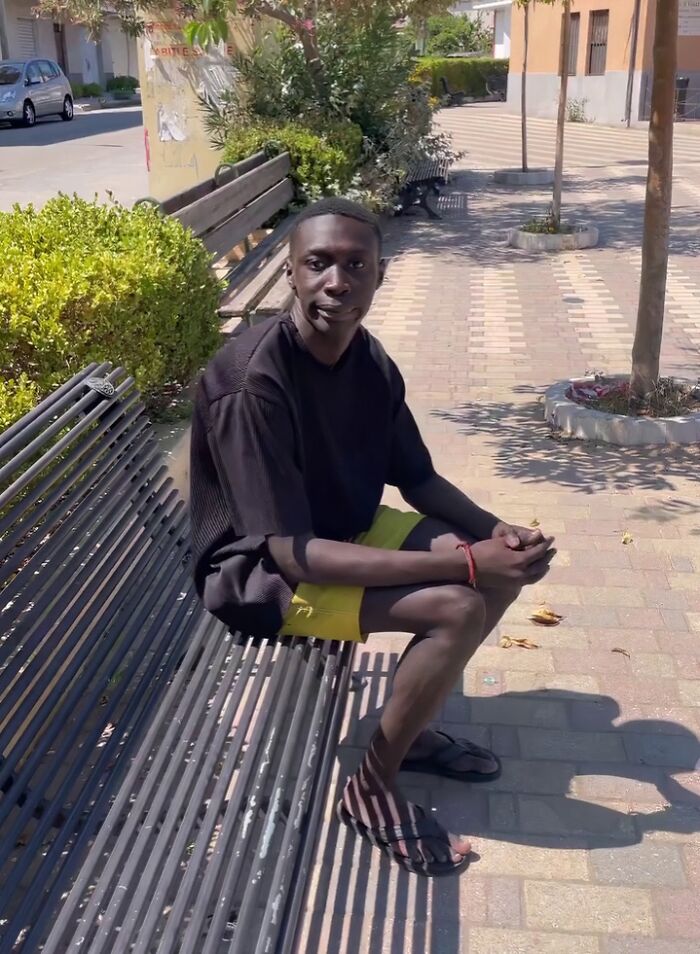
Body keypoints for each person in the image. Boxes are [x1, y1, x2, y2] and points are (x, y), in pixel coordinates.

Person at [190, 197, 555, 877]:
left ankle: (405, 736)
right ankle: (369, 790)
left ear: (380, 275)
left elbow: (416, 477)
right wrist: (461, 567)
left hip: (339, 530)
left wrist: (495, 533)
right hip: (263, 577)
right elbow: (285, 550)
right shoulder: (251, 382)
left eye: (356, 265)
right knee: (459, 602)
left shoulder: (367, 358)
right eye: (318, 264)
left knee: (497, 568)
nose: (338, 281)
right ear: (291, 275)